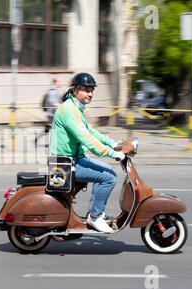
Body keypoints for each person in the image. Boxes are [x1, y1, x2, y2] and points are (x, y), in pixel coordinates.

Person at [49, 72, 125, 232]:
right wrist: (112, 153)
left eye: (92, 90)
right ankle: (95, 217)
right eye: (86, 89)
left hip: (75, 159)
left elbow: (90, 131)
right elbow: (85, 138)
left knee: (107, 171)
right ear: (76, 90)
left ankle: (95, 212)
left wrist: (112, 143)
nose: (90, 93)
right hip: (65, 164)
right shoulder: (69, 110)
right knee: (109, 178)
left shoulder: (75, 107)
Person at [36, 79, 62, 146]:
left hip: (53, 112)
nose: (61, 83)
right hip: (52, 113)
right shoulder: (52, 91)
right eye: (59, 82)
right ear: (55, 82)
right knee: (56, 128)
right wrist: (60, 106)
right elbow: (53, 102)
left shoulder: (55, 90)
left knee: (48, 128)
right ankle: (55, 143)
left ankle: (37, 138)